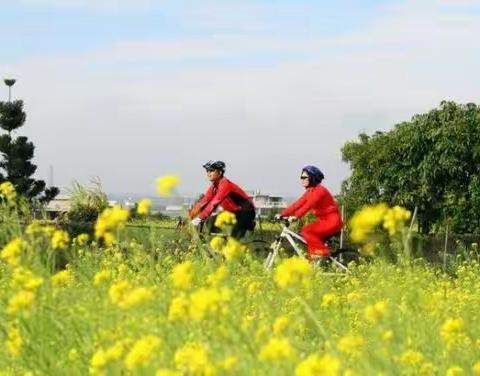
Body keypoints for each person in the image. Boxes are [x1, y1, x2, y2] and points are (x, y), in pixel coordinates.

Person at [279, 165, 342, 258]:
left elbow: (308, 205)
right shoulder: (310, 191)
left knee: (307, 231)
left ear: (312, 178)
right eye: (301, 177)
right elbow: (297, 204)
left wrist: (296, 216)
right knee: (309, 246)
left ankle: (323, 251)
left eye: (304, 177)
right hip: (325, 221)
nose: (301, 179)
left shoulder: (320, 191)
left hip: (332, 222)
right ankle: (314, 265)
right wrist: (282, 214)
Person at [189, 160, 256, 239]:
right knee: (210, 224)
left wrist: (200, 218)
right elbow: (204, 201)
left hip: (245, 214)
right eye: (207, 171)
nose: (208, 173)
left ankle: (246, 228)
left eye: (211, 170)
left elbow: (213, 204)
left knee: (232, 240)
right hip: (232, 213)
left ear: (220, 172)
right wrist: (189, 217)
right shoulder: (214, 187)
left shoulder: (225, 185)